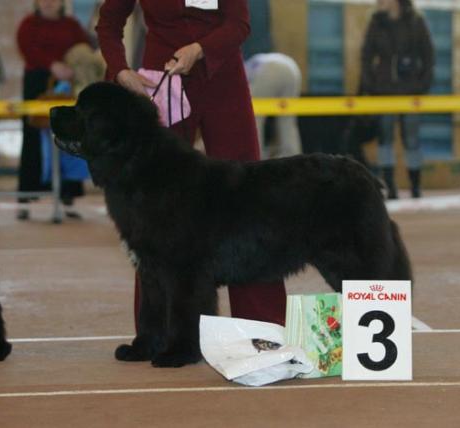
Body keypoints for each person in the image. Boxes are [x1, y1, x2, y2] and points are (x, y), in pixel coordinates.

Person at [96, 0, 287, 327]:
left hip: (222, 76)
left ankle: (261, 323)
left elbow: (239, 23)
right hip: (161, 81)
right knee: (156, 208)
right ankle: (158, 328)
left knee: (247, 199)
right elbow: (109, 23)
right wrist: (120, 70)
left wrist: (200, 48)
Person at [16, 0, 90, 220]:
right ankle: (26, 197)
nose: (49, 2)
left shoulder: (73, 25)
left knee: (69, 137)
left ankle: (68, 196)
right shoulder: (28, 24)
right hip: (37, 83)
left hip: (66, 86)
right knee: (32, 138)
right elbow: (27, 48)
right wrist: (52, 65)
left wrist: (73, 68)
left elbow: (84, 49)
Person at [360, 0, 434, 199]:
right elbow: (366, 55)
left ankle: (416, 186)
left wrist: (422, 85)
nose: (379, 2)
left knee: (412, 140)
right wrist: (371, 86)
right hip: (383, 92)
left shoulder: (417, 21)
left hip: (411, 91)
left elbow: (428, 56)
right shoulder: (375, 22)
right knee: (385, 139)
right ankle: (390, 186)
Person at [245, 53, 303, 159]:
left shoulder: (246, 69)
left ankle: (256, 158)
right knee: (287, 119)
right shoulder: (254, 62)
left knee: (255, 117)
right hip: (292, 68)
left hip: (270, 69)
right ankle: (293, 156)